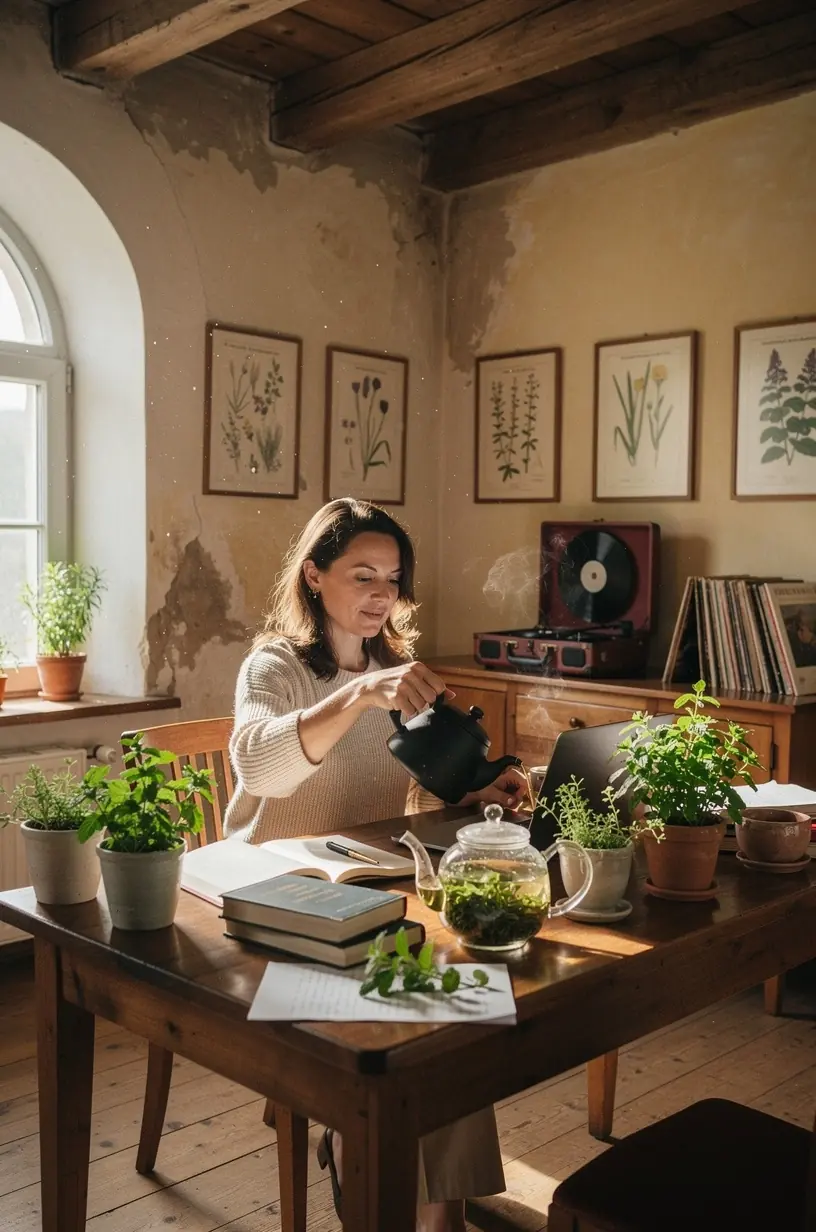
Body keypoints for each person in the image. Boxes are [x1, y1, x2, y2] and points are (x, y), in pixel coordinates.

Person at [225, 497, 523, 1232]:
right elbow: (261, 767)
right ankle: (390, 1172)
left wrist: (479, 786)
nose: (381, 593)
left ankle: (438, 1215)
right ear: (315, 576)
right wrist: (358, 695)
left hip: (370, 892)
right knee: (426, 1008)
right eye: (362, 575)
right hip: (274, 902)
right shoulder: (277, 666)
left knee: (455, 1004)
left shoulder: (397, 669)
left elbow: (412, 790)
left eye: (392, 578)